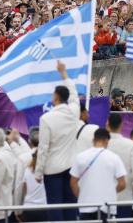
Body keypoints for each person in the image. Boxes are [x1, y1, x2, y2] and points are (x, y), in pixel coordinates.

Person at [35, 61, 81, 221]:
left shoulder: (46, 118)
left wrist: (38, 171)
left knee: (55, 206)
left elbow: (43, 147)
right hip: (70, 167)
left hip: (52, 169)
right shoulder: (74, 112)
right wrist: (64, 74)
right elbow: (74, 95)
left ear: (55, 97)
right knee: (70, 205)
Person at [70, 128, 127, 221]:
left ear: (93, 140)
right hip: (107, 207)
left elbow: (73, 183)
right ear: (107, 141)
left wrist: (82, 195)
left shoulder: (80, 157)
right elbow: (122, 184)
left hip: (85, 206)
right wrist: (110, 192)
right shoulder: (114, 157)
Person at [106, 113, 133, 218]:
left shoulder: (103, 144)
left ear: (107, 125)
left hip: (105, 196)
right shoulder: (130, 144)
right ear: (122, 125)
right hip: (125, 196)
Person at [21, 150, 48, 222]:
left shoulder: (27, 171)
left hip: (28, 207)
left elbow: (24, 191)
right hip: (43, 207)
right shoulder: (47, 171)